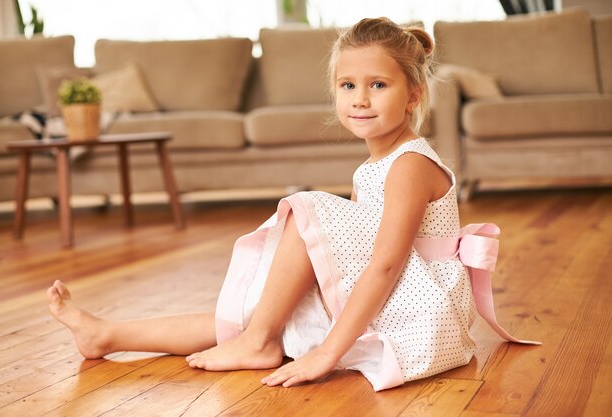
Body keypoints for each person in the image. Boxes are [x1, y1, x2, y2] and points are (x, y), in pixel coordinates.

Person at [47, 17, 537, 392]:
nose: (360, 99)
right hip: (395, 295)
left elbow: (387, 266)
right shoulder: (379, 163)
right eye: (348, 86)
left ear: (413, 94)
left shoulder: (409, 164)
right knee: (244, 317)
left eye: (378, 85)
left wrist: (327, 352)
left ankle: (258, 341)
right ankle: (107, 336)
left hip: (420, 313)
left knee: (306, 214)